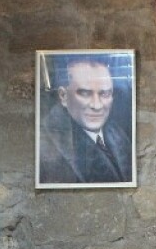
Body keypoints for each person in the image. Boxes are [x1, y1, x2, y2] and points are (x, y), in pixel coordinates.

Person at [38, 56, 132, 185]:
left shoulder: (118, 134)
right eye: (85, 93)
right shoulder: (45, 144)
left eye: (105, 94)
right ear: (63, 96)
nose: (97, 105)